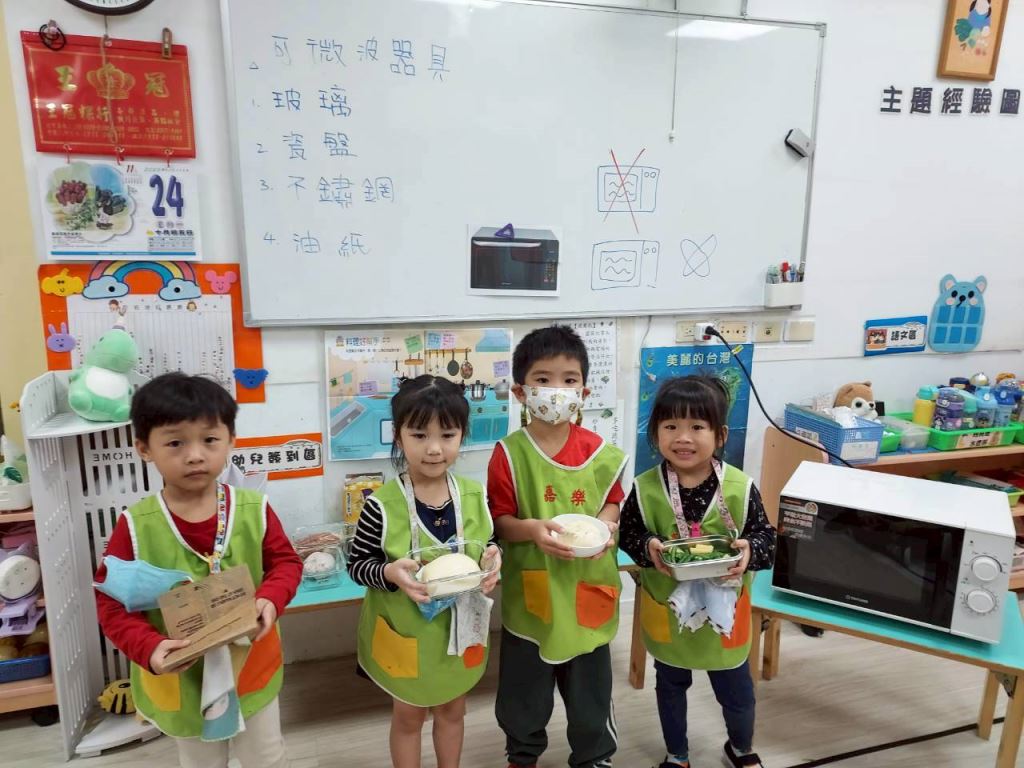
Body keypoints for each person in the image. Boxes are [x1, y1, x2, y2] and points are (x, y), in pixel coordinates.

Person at [94, 372, 302, 768]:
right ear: (144, 448)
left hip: (251, 666)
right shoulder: (135, 526)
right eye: (175, 443)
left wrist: (270, 600)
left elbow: (286, 564)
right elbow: (112, 606)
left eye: (209, 440)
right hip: (182, 676)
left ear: (231, 440)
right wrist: (149, 647)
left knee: (267, 758)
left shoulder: (253, 509)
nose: (195, 455)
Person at [488, 325, 628, 768]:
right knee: (524, 692)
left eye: (569, 380)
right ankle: (522, 754)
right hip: (535, 594)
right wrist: (532, 530)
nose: (557, 390)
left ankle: (595, 757)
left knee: (590, 691)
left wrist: (605, 526)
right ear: (520, 392)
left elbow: (612, 503)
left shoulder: (601, 452)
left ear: (583, 391)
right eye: (543, 379)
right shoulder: (508, 454)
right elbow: (500, 523)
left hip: (589, 587)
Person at [619, 375, 776, 768]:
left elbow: (767, 539)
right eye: (671, 426)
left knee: (737, 692)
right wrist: (647, 546)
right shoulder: (645, 488)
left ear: (720, 435)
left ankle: (740, 747)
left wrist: (749, 549)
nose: (683, 438)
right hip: (669, 609)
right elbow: (628, 534)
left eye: (697, 427)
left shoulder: (740, 487)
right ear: (655, 433)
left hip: (726, 613)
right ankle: (677, 755)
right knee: (671, 686)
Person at [348, 375, 501, 768]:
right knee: (409, 717)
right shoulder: (380, 506)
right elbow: (357, 565)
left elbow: (489, 542)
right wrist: (390, 573)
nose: (434, 448)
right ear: (398, 437)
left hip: (460, 634)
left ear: (462, 435)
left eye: (447, 435)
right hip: (408, 636)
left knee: (453, 711)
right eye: (419, 435)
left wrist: (494, 557)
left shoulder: (475, 496)